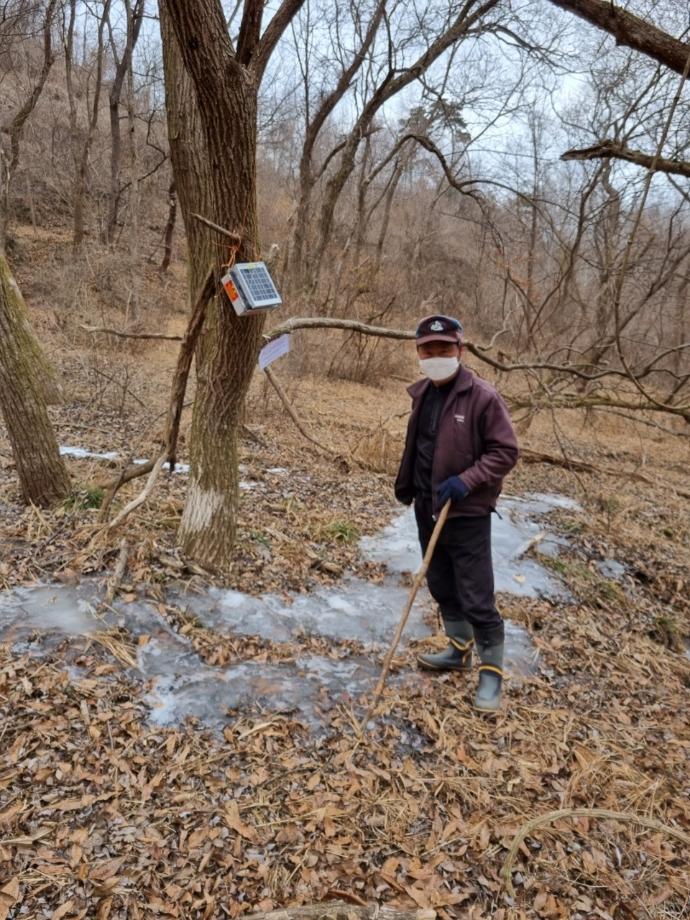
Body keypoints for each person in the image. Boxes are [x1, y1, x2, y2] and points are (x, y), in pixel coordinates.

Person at [394, 314, 519, 712]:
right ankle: (458, 650)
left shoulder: (482, 397)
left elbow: (505, 452)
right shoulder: (424, 393)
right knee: (442, 583)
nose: (435, 356)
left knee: (476, 594)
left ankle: (492, 674)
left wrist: (466, 480)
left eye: (444, 349)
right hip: (427, 507)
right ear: (418, 353)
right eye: (427, 350)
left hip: (466, 513)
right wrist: (408, 485)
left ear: (460, 351)